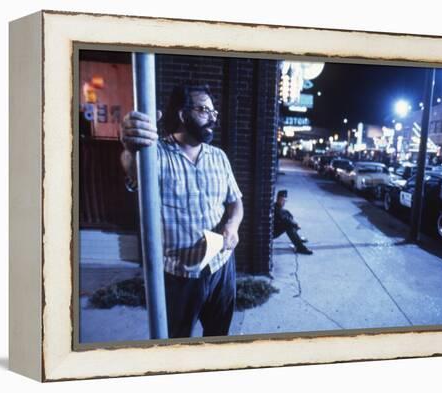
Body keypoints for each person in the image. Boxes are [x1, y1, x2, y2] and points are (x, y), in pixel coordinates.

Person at [120, 83, 244, 339]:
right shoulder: (155, 154)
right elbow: (132, 169)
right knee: (177, 341)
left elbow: (235, 202)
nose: (212, 117)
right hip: (179, 275)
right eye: (204, 110)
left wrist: (232, 226)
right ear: (182, 114)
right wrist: (131, 148)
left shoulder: (218, 156)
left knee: (219, 335)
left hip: (221, 266)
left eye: (214, 112)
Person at [273, 190, 313, 255]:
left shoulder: (278, 207)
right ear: (279, 199)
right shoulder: (276, 209)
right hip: (272, 232)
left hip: (273, 229)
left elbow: (288, 217)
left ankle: (297, 239)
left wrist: (294, 223)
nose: (284, 202)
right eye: (283, 200)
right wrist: (295, 224)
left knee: (290, 220)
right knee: (289, 226)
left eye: (285, 201)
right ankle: (300, 248)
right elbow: (285, 220)